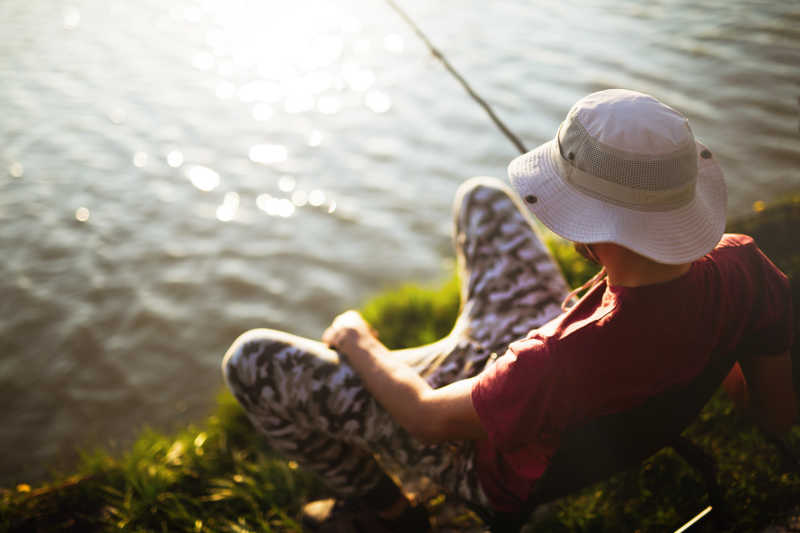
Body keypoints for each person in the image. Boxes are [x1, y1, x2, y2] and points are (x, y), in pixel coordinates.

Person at [221, 89, 795, 531]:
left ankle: (387, 514)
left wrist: (356, 340)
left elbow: (426, 418)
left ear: (589, 232)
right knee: (482, 198)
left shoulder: (555, 363)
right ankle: (424, 360)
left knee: (251, 361)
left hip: (481, 452)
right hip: (544, 370)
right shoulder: (742, 264)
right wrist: (696, 367)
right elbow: (773, 407)